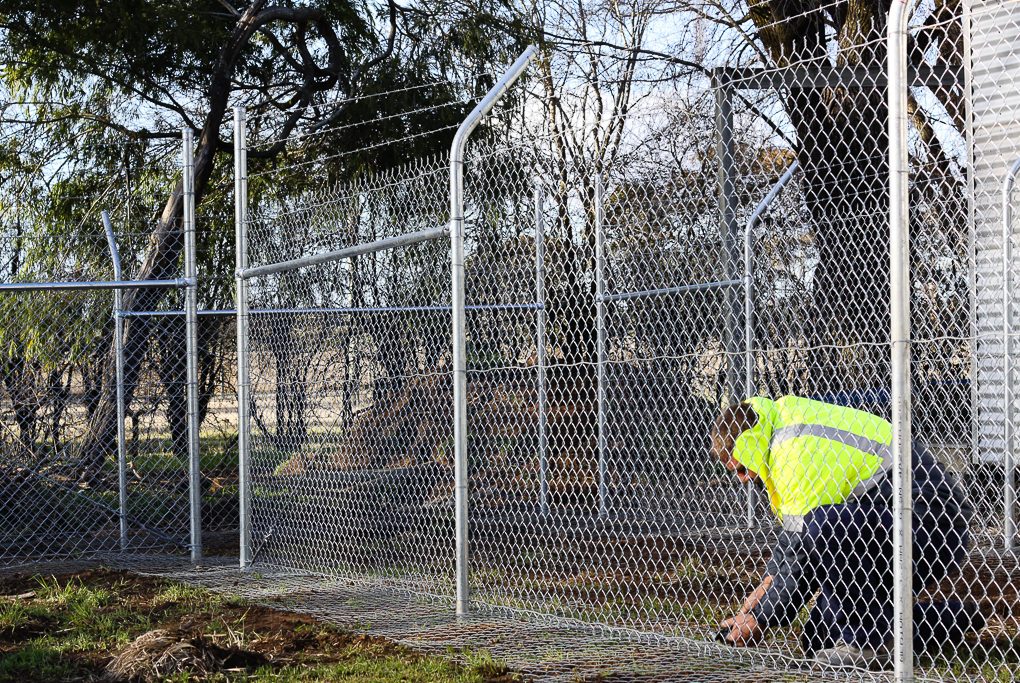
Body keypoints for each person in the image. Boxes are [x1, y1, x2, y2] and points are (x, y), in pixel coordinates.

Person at [711, 395, 982, 669]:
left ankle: (870, 644)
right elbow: (793, 542)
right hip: (885, 521)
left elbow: (803, 551)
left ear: (752, 447)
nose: (742, 479)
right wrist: (764, 591)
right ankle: (956, 617)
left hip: (930, 521)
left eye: (743, 468)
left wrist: (762, 617)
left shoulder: (793, 452)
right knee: (820, 637)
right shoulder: (779, 432)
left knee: (822, 524)